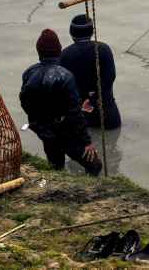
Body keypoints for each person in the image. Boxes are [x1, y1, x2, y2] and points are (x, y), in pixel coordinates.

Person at [20, 29, 102, 176]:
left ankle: (57, 183)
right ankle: (89, 190)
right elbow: (75, 113)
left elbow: (25, 102)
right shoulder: (65, 76)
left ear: (39, 51)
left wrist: (38, 123)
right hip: (66, 130)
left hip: (44, 129)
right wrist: (87, 141)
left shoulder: (29, 72)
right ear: (58, 51)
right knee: (94, 164)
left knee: (55, 164)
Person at [59, 14, 122, 130]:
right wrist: (93, 100)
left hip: (80, 116)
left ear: (71, 33)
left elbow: (63, 89)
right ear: (92, 32)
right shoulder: (104, 50)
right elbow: (109, 79)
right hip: (107, 115)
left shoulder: (65, 55)